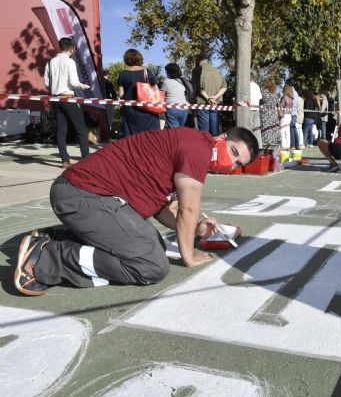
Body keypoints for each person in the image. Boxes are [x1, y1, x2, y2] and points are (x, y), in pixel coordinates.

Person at [13, 127, 259, 296]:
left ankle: (57, 237)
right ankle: (46, 259)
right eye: (233, 151)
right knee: (150, 265)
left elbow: (164, 210)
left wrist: (196, 229)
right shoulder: (199, 149)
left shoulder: (192, 144)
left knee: (155, 247)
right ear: (222, 136)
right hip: (84, 195)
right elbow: (188, 208)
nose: (231, 162)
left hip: (85, 195)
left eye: (238, 163)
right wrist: (189, 256)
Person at [43, 37, 91, 168]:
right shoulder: (70, 62)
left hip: (56, 99)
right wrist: (83, 86)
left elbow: (46, 82)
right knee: (81, 128)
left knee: (61, 130)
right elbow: (74, 83)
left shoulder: (51, 62)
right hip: (68, 97)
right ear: (71, 48)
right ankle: (86, 160)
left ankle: (65, 160)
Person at [117, 49, 161, 136]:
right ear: (139, 58)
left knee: (132, 137)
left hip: (130, 109)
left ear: (126, 59)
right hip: (147, 108)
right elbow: (157, 90)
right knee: (151, 136)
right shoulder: (147, 72)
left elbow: (121, 94)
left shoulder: (123, 74)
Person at [192, 53, 227, 136]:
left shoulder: (197, 70)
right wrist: (215, 97)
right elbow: (224, 87)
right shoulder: (217, 71)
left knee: (204, 133)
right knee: (215, 132)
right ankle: (215, 148)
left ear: (198, 60)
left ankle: (206, 148)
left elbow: (198, 87)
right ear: (207, 61)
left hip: (203, 103)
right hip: (216, 103)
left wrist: (208, 98)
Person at [162, 63, 190, 128]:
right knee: (180, 130)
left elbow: (161, 95)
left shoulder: (166, 82)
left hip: (172, 108)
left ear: (169, 72)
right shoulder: (183, 82)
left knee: (174, 132)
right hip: (184, 108)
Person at [260, 78, 281, 149]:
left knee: (266, 130)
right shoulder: (275, 93)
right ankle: (273, 147)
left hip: (265, 113)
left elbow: (260, 100)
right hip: (273, 113)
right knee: (273, 129)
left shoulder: (263, 91)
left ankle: (266, 148)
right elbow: (278, 103)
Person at [249, 70, 264, 148]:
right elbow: (260, 98)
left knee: (249, 128)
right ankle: (259, 146)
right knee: (257, 129)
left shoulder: (247, 85)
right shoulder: (257, 86)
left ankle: (250, 146)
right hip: (256, 108)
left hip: (248, 109)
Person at [103, 69, 118, 141]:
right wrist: (115, 102)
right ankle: (108, 137)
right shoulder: (108, 82)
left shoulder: (97, 83)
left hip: (97, 103)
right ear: (108, 75)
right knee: (109, 120)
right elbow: (113, 93)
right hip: (108, 102)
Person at [280, 84, 295, 151]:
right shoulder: (291, 99)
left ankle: (283, 145)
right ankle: (287, 146)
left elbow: (281, 106)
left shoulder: (284, 97)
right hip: (289, 115)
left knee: (282, 131)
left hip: (284, 115)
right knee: (287, 131)